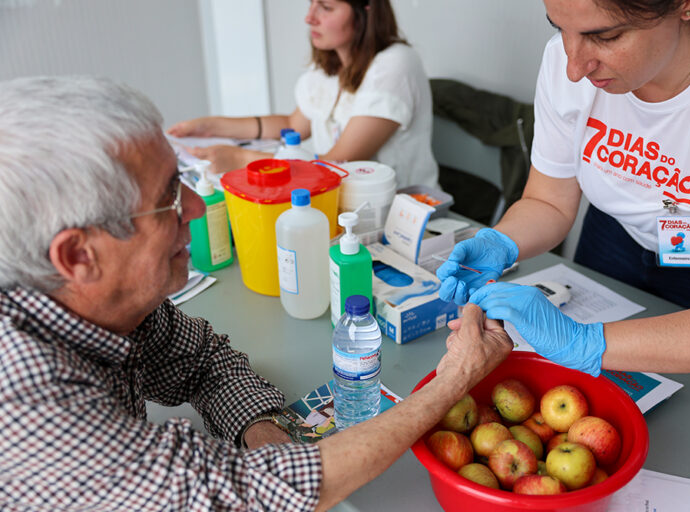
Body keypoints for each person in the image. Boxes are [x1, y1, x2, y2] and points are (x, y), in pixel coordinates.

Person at [0, 75, 511, 511]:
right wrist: (453, 380)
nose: (197, 209)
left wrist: (259, 429)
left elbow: (203, 362)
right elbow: (261, 497)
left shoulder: (108, 302)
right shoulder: (27, 408)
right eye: (166, 201)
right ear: (77, 256)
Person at [438, 0, 690, 375]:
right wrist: (502, 241)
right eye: (559, 28)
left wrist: (585, 342)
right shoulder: (567, 65)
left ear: (687, 4)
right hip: (614, 239)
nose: (574, 68)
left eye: (605, 36)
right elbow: (550, 201)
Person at [168, 0, 439, 189]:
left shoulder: (395, 64)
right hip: (347, 209)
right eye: (311, 4)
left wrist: (241, 160)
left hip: (406, 218)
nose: (309, 17)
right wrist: (210, 126)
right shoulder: (329, 70)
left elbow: (336, 164)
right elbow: (291, 125)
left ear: (365, 11)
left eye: (326, 7)